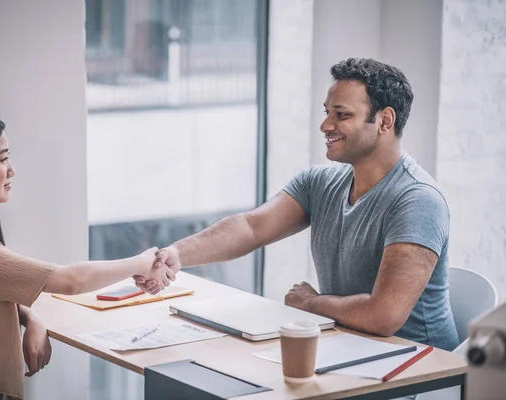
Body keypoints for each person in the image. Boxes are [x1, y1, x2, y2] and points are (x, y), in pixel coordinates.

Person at [135, 58, 459, 351]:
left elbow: (383, 316)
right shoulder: (319, 183)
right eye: (327, 112)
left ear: (385, 121)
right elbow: (251, 228)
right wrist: (176, 255)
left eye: (342, 114)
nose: (325, 125)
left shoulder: (417, 200)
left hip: (418, 369)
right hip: (350, 347)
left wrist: (312, 303)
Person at [0, 108, 174, 400]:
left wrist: (32, 317)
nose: (12, 169)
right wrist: (143, 262)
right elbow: (71, 280)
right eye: (3, 158)